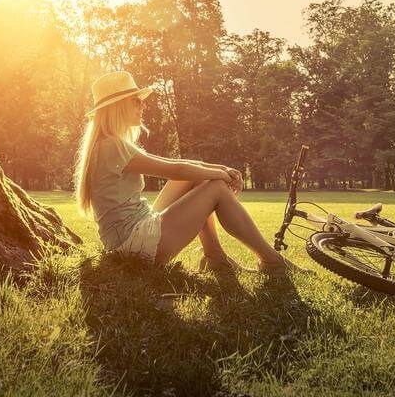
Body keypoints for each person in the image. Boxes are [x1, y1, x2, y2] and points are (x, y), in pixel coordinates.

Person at [73, 70, 300, 275]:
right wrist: (222, 176)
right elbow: (175, 169)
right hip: (133, 243)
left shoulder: (108, 144)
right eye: (136, 101)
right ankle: (271, 261)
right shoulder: (112, 146)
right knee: (216, 189)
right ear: (118, 107)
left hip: (130, 235)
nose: (143, 106)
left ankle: (215, 258)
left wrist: (219, 169)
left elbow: (179, 164)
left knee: (197, 178)